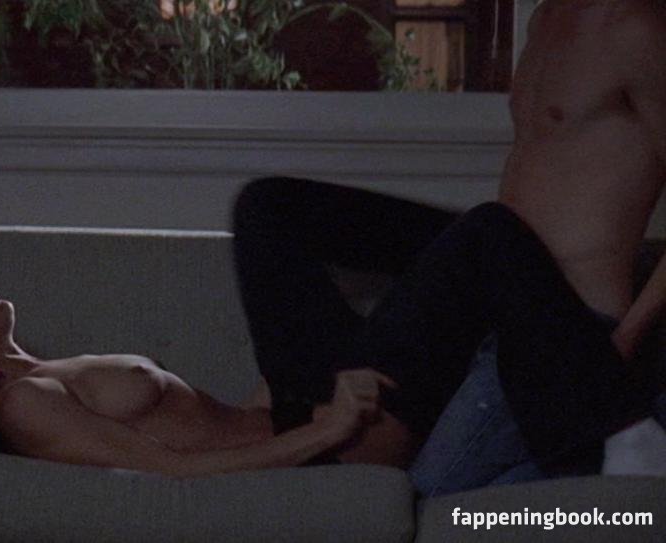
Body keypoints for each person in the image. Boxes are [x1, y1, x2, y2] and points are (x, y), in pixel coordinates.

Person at [232, 0, 666, 495]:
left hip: (562, 321)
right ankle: (303, 408)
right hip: (479, 285)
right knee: (269, 207)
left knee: (425, 491)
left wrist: (618, 349)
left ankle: (625, 428)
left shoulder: (637, 28)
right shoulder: (546, 19)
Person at [0, 278, 399, 476]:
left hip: (291, 411)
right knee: (265, 209)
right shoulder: (24, 402)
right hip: (327, 447)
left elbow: (210, 424)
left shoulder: (42, 372)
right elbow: (175, 470)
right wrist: (329, 430)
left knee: (269, 217)